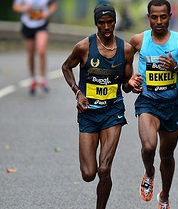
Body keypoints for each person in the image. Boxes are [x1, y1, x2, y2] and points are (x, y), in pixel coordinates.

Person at [61, 3, 140, 209]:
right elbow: (66, 67)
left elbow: (126, 84)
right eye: (101, 23)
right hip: (88, 114)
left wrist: (129, 84)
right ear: (96, 24)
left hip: (112, 112)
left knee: (104, 169)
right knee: (88, 174)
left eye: (110, 22)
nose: (106, 27)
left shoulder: (126, 49)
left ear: (115, 22)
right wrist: (77, 92)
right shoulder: (84, 47)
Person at [129, 0, 178, 208]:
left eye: (163, 17)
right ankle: (149, 171)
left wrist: (175, 69)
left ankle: (165, 196)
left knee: (167, 155)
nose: (159, 21)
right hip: (147, 102)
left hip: (171, 105)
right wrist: (129, 81)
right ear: (148, 18)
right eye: (154, 17)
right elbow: (122, 64)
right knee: (149, 145)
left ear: (170, 16)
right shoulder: (138, 41)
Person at [13, 0, 58, 94]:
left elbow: (53, 4)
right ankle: (33, 79)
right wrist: (24, 8)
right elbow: (15, 6)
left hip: (41, 24)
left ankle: (42, 79)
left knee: (41, 50)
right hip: (27, 24)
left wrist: (48, 12)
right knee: (31, 53)